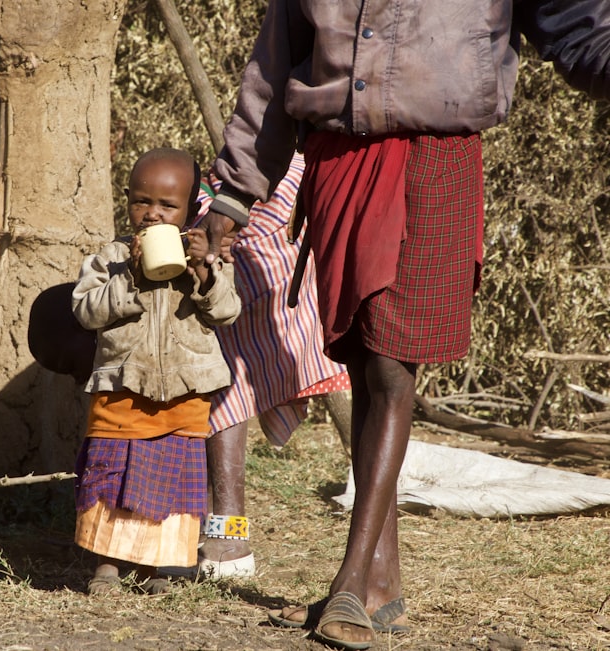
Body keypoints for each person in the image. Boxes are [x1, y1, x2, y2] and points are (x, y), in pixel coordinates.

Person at [197, 2, 610, 648]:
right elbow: (275, 64)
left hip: (434, 157)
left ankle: (351, 583)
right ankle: (381, 583)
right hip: (335, 159)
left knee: (393, 362)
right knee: (362, 357)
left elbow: (581, 23)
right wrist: (235, 188)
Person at [71, 147, 241, 595]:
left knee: (172, 477)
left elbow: (227, 312)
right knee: (113, 471)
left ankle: (159, 567)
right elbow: (86, 311)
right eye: (142, 201)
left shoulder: (205, 258)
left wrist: (205, 271)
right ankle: (108, 562)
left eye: (167, 206)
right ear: (126, 200)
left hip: (186, 391)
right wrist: (129, 275)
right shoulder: (109, 258)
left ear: (189, 211)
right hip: (122, 387)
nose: (152, 214)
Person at [193, 153, 350, 579]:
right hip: (250, 182)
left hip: (317, 190)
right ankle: (220, 520)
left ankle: (226, 524)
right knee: (222, 351)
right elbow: (254, 133)